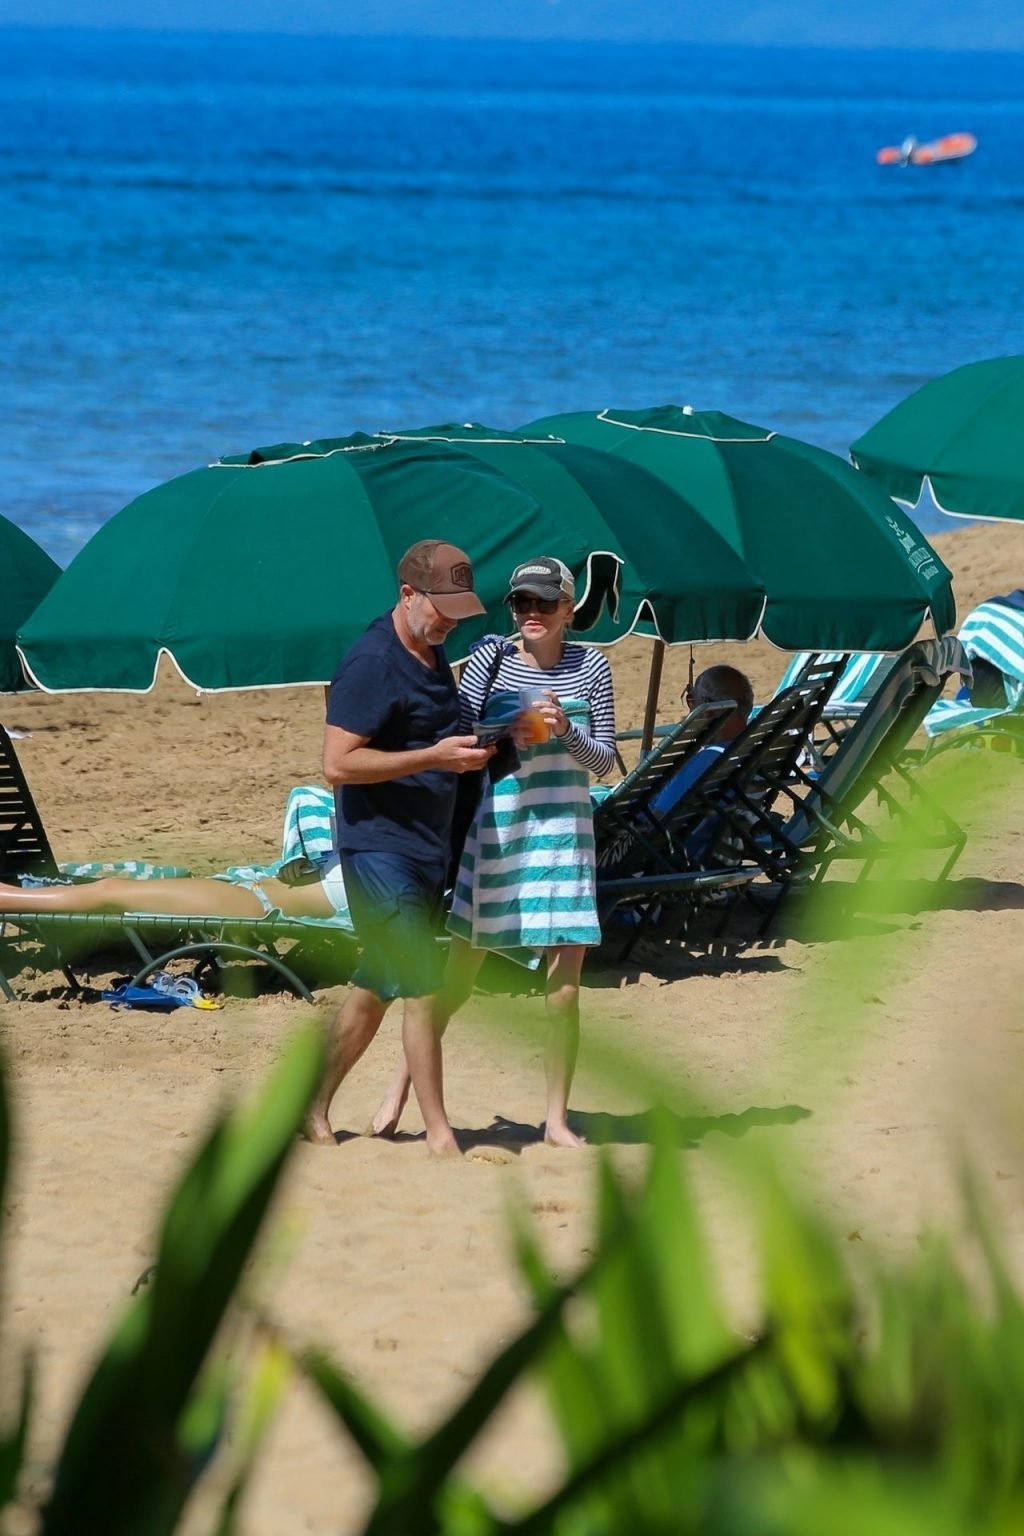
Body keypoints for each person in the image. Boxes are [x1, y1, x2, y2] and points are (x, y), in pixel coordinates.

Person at [371, 555, 617, 1149]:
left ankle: (556, 1121)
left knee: (564, 993)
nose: (532, 612)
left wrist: (566, 731)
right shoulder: (491, 657)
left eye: (544, 602)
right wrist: (508, 730)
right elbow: (458, 739)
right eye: (521, 602)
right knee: (458, 982)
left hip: (565, 835)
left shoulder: (592, 665)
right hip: (500, 832)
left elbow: (607, 761)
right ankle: (400, 1085)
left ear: (567, 608)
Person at [303, 539, 494, 1156]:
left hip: (426, 849)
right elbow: (337, 764)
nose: (450, 622)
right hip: (378, 850)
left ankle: (312, 1104)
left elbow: (433, 734)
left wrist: (482, 742)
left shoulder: (432, 652)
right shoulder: (371, 663)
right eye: (442, 609)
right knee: (422, 986)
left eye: (459, 611)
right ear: (408, 594)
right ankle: (439, 1133)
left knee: (376, 986)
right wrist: (434, 757)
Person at [0, 858, 346, 923]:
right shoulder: (364, 845)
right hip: (246, 888)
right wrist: (306, 864)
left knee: (112, 890)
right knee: (117, 890)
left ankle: (7, 898)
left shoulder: (377, 871)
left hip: (254, 903)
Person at [649, 664, 754, 819]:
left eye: (692, 701)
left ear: (708, 711)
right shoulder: (753, 751)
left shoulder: (709, 759)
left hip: (640, 828)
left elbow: (658, 819)